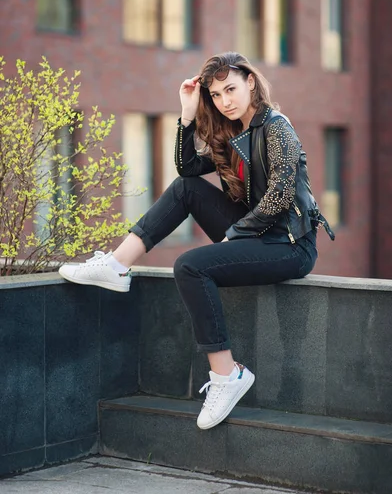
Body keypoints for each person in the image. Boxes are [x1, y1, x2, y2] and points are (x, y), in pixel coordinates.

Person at [59, 51, 334, 431]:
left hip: (290, 245)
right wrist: (188, 114)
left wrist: (232, 236)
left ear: (251, 82)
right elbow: (188, 168)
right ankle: (117, 264)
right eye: (218, 95)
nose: (226, 101)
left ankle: (228, 375)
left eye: (232, 89)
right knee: (185, 188)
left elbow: (281, 195)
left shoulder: (277, 127)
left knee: (189, 265)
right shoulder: (231, 130)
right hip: (255, 233)